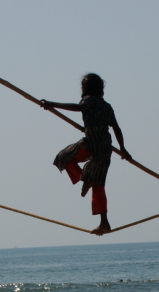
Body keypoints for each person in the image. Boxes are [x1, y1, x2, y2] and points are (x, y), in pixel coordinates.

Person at [40, 73, 133, 235]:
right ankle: (104, 223)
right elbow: (116, 128)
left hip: (92, 144)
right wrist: (123, 149)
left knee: (63, 157)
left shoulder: (88, 101)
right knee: (99, 185)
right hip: (105, 148)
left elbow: (78, 108)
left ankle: (85, 178)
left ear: (85, 89)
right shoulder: (107, 106)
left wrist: (52, 104)